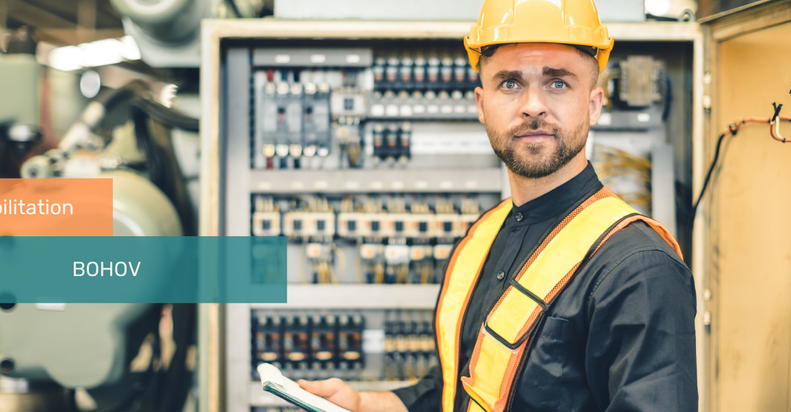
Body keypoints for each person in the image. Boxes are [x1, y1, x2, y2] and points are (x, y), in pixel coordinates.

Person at [299, 0, 698, 410]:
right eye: (510, 83)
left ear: (593, 104)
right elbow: (459, 392)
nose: (533, 105)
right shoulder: (484, 237)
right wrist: (364, 404)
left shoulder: (639, 267)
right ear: (481, 104)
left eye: (557, 82)